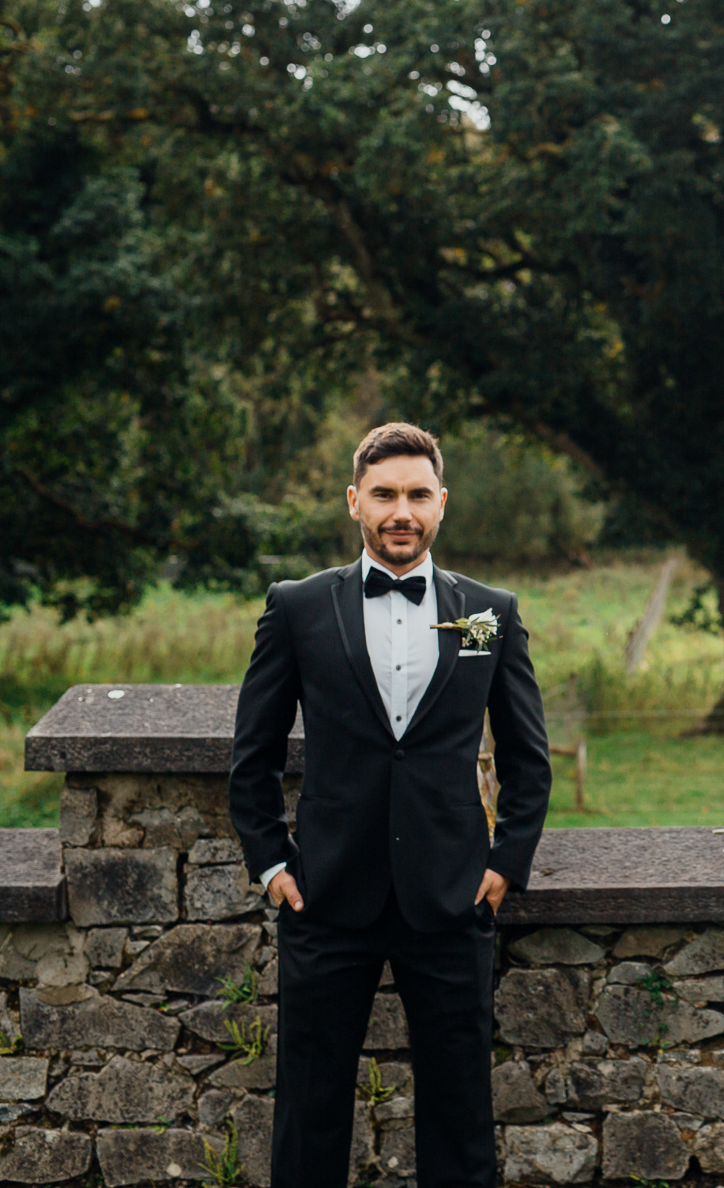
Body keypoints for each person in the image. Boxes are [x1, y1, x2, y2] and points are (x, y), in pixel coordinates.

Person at [228, 422, 551, 1188]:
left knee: (461, 1113)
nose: (399, 510)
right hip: (326, 898)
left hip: (449, 900)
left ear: (441, 504)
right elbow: (254, 753)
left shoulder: (487, 613)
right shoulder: (299, 607)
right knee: (308, 1112)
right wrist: (271, 862)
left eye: (415, 495)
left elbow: (526, 755)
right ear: (354, 503)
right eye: (383, 495)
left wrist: (506, 863)